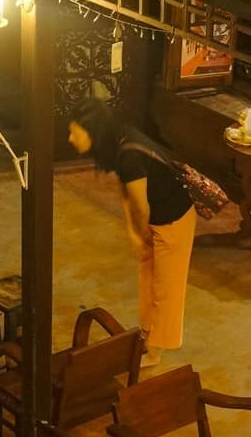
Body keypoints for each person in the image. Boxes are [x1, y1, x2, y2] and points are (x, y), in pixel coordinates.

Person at [67, 98, 197, 368]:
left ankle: (155, 351)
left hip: (174, 218)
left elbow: (141, 206)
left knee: (166, 288)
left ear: (92, 132)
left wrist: (141, 232)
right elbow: (125, 193)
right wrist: (133, 233)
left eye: (74, 133)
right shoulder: (117, 143)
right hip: (156, 217)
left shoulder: (128, 155)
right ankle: (148, 336)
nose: (70, 139)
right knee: (148, 280)